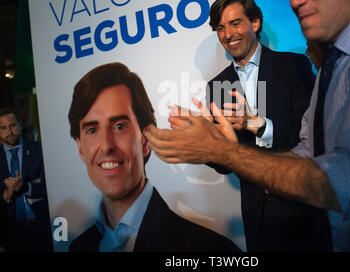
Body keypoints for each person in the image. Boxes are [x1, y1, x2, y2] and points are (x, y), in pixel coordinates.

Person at [145, 0, 350, 251]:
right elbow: (308, 149)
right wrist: (212, 145)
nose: (294, 0)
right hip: (261, 223)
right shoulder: (335, 66)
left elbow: (344, 179)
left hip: (305, 218)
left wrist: (243, 136)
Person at [172, 0, 329, 251]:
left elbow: (313, 139)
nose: (228, 34)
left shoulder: (293, 66)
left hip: (302, 211)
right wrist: (205, 143)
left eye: (235, 23)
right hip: (259, 221)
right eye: (220, 28)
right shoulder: (218, 85)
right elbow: (226, 165)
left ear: (254, 24)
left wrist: (257, 125)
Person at [67, 62, 240, 252]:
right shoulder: (78, 247)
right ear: (80, 147)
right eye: (92, 129)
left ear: (146, 139)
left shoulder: (211, 250)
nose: (107, 146)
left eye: (119, 126)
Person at [0, 107, 53, 252]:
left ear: (20, 124)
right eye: (3, 128)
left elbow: (52, 186)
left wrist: (26, 187)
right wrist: (6, 195)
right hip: (11, 232)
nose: (9, 132)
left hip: (42, 227)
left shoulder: (39, 149)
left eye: (12, 126)